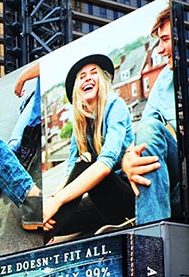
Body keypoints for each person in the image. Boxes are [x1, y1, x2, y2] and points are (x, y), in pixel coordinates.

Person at [32, 54, 135, 240]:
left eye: (93, 73)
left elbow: (105, 165)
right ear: (77, 89)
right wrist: (51, 201)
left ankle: (43, 239)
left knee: (88, 161)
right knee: (54, 222)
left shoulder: (115, 106)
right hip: (101, 204)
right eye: (82, 76)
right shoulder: (81, 123)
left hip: (126, 198)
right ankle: (43, 234)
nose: (87, 78)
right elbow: (71, 170)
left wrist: (59, 200)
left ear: (102, 81)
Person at [120, 5, 180, 225]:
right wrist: (128, 160)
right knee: (148, 129)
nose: (161, 50)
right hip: (176, 170)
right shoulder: (164, 78)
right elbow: (145, 128)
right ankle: (151, 233)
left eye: (166, 40)